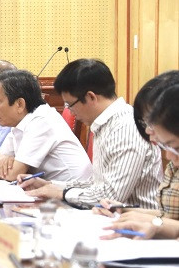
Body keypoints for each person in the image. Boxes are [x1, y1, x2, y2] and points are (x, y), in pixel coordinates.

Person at [20, 59, 161, 208]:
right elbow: (98, 184)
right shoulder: (106, 123)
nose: (70, 111)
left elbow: (110, 197)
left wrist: (62, 193)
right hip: (110, 216)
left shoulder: (125, 128)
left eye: (70, 105)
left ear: (91, 97)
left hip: (135, 219)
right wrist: (50, 185)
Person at [0, 69, 92, 182]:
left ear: (20, 104)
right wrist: (7, 160)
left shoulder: (41, 120)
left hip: (73, 189)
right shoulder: (19, 121)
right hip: (50, 187)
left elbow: (14, 174)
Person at [106, 82, 179, 240]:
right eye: (145, 122)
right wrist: (123, 210)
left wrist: (156, 223)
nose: (147, 130)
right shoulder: (173, 162)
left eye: (152, 122)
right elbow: (169, 215)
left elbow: (167, 220)